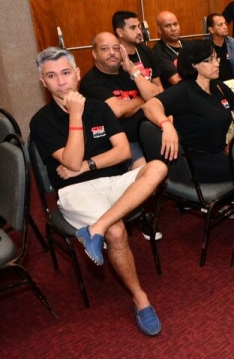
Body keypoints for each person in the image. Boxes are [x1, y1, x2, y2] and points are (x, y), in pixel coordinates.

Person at [30, 46, 167, 335]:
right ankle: (140, 298)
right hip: (75, 192)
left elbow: (122, 152)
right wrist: (75, 116)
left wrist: (87, 164)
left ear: (77, 74)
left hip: (112, 181)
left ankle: (96, 229)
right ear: (43, 81)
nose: (61, 82)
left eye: (66, 73)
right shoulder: (41, 121)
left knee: (157, 167)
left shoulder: (100, 108)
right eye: (52, 76)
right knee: (116, 232)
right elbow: (69, 162)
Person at [143, 39, 234, 183]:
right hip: (193, 160)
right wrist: (166, 125)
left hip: (219, 153)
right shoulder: (184, 90)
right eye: (209, 61)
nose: (217, 64)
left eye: (216, 58)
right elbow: (149, 106)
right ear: (193, 65)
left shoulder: (218, 86)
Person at [80, 32, 160, 170]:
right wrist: (142, 99)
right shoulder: (91, 81)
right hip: (119, 143)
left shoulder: (128, 72)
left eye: (116, 48)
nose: (112, 52)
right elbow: (117, 110)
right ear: (94, 54)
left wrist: (132, 69)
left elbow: (155, 95)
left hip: (148, 133)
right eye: (105, 49)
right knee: (147, 172)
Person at [112, 11, 164, 91]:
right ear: (120, 32)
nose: (139, 31)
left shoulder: (146, 51)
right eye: (133, 28)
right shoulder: (114, 58)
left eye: (139, 26)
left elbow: (158, 86)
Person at [206, 13, 234, 81]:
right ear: (211, 30)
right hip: (213, 84)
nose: (225, 27)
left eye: (225, 23)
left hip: (233, 83)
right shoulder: (204, 46)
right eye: (220, 25)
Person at [152, 11, 185, 87]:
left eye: (175, 24)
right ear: (159, 30)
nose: (173, 29)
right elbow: (177, 81)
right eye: (168, 26)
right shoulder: (158, 52)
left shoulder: (187, 45)